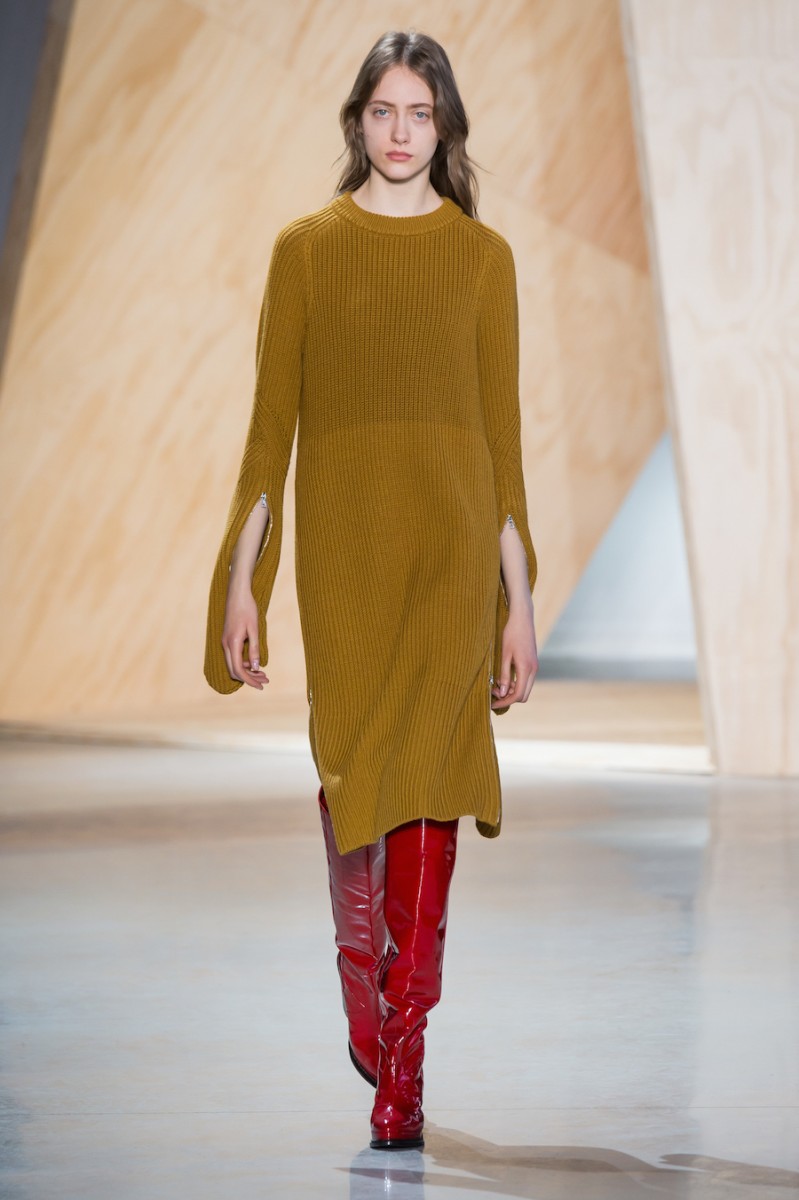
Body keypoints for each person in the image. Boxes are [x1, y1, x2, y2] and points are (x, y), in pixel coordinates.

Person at [203, 29, 539, 1150]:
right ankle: (364, 973)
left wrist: (517, 602)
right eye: (384, 111)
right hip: (347, 561)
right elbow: (269, 438)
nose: (401, 132)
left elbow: (502, 448)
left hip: (451, 559)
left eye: (421, 114)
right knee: (354, 773)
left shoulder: (483, 261)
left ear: (444, 128)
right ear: (357, 122)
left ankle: (403, 1058)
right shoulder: (306, 251)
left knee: (433, 782)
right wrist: (244, 582)